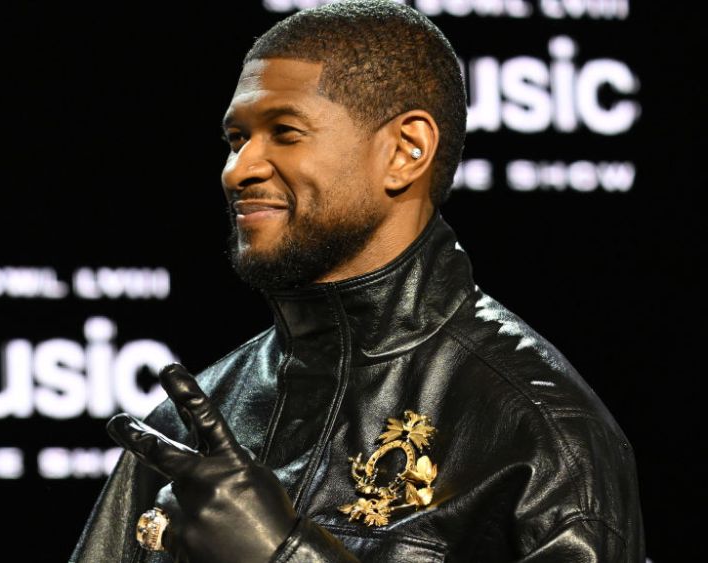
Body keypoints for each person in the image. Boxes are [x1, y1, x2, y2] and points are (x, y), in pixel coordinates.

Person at [70, 1, 644, 561]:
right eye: (237, 139)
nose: (237, 169)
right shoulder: (190, 422)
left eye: (285, 132)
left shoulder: (539, 434)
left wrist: (285, 555)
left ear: (406, 151)